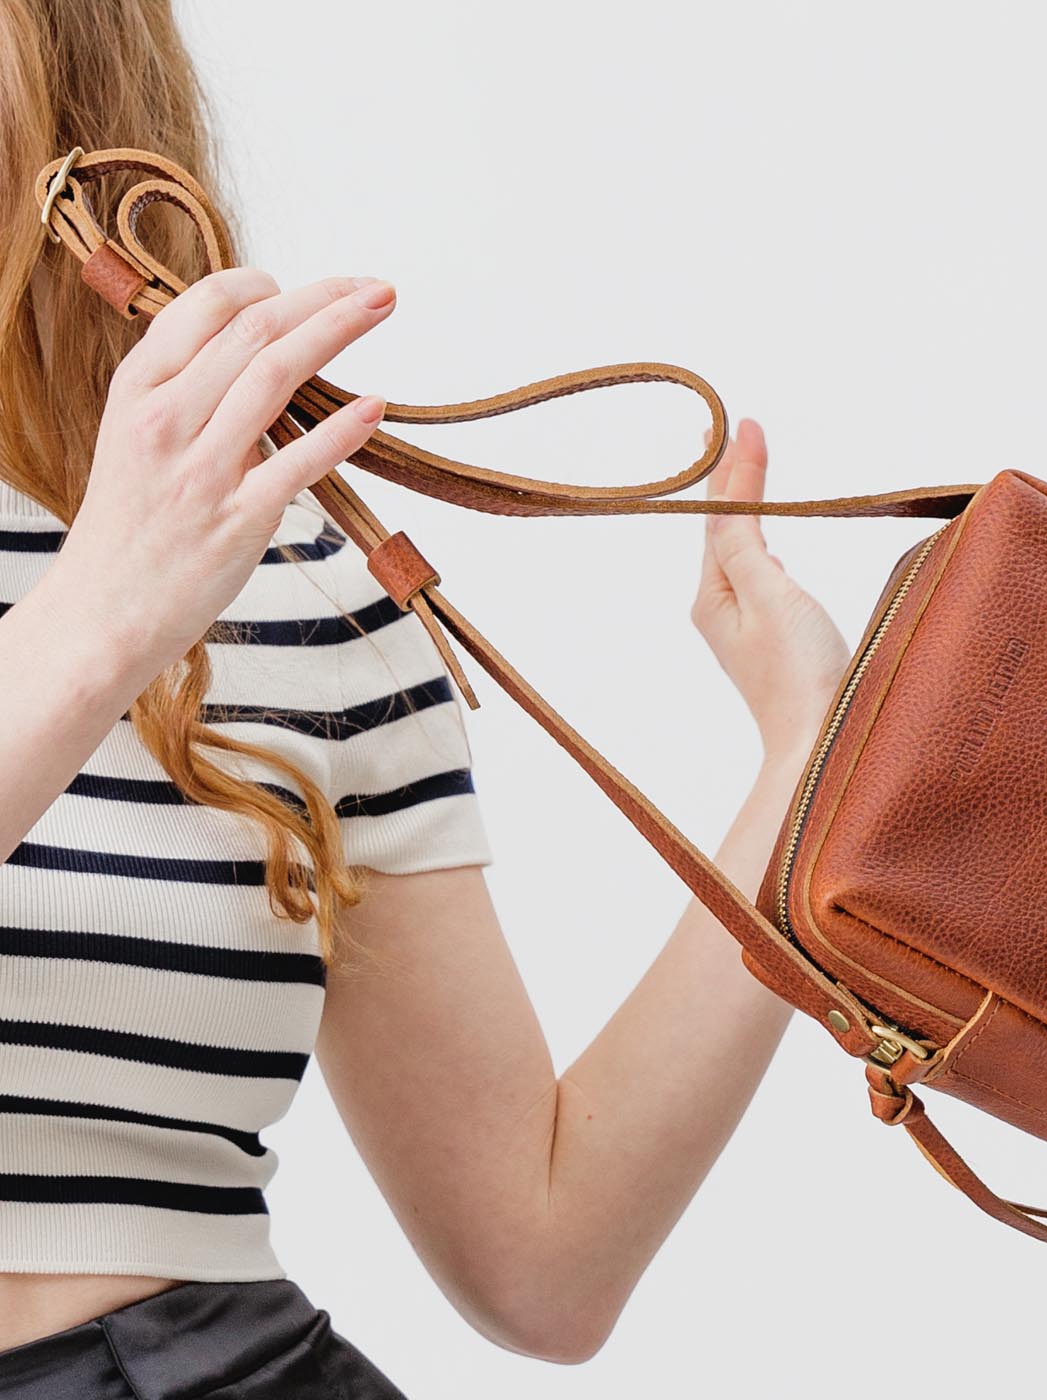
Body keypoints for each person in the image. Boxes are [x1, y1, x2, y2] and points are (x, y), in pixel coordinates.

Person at [0, 2, 850, 1394]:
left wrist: (806, 763)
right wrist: (96, 622)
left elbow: (543, 1263)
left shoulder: (281, 577)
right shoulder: (136, 584)